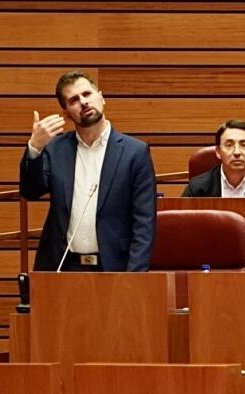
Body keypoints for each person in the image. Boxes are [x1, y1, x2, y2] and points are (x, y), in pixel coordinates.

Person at [20, 70, 155, 272]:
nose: (83, 102)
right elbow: (31, 191)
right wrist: (35, 148)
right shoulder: (55, 149)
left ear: (101, 97)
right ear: (66, 112)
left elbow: (144, 223)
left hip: (114, 267)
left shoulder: (135, 152)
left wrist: (134, 278)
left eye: (87, 94)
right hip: (64, 266)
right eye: (74, 100)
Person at [182, 119, 245, 212]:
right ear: (218, 152)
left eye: (243, 145)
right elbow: (182, 223)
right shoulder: (197, 186)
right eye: (229, 145)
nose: (237, 152)